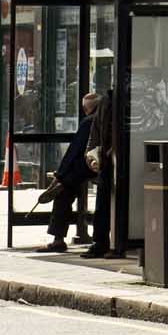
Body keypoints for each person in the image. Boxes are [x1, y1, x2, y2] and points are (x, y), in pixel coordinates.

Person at [43, 93, 100, 253]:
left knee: (63, 192)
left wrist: (60, 175)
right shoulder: (105, 118)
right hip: (102, 164)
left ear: (85, 108)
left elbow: (74, 151)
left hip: (90, 165)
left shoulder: (89, 121)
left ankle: (58, 239)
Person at [82, 86, 116, 258]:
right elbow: (96, 131)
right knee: (102, 203)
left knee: (108, 203)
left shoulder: (113, 100)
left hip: (116, 159)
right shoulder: (107, 101)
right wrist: (90, 153)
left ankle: (111, 243)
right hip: (106, 160)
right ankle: (101, 242)